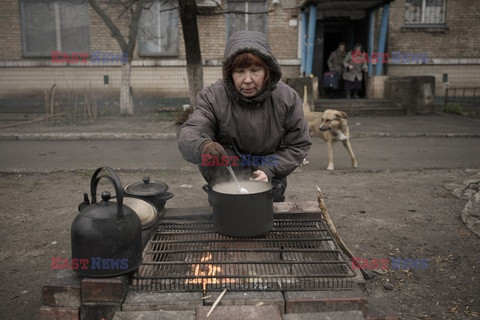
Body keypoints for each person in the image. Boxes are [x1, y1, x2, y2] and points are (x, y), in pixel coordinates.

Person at [177, 31, 311, 202]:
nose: (247, 79)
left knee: (264, 218)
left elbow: (298, 144)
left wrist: (268, 169)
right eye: (239, 71)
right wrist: (202, 146)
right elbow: (190, 132)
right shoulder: (213, 97)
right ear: (229, 74)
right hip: (224, 179)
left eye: (255, 70)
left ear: (267, 71)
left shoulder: (287, 98)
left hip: (270, 177)